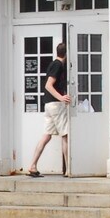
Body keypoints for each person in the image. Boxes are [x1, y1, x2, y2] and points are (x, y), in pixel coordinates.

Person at [24, 42, 73, 177]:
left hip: (48, 105)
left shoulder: (53, 64)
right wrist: (61, 97)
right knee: (65, 135)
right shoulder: (58, 65)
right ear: (66, 54)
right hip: (56, 105)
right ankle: (69, 169)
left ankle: (32, 166)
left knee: (46, 136)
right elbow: (48, 85)